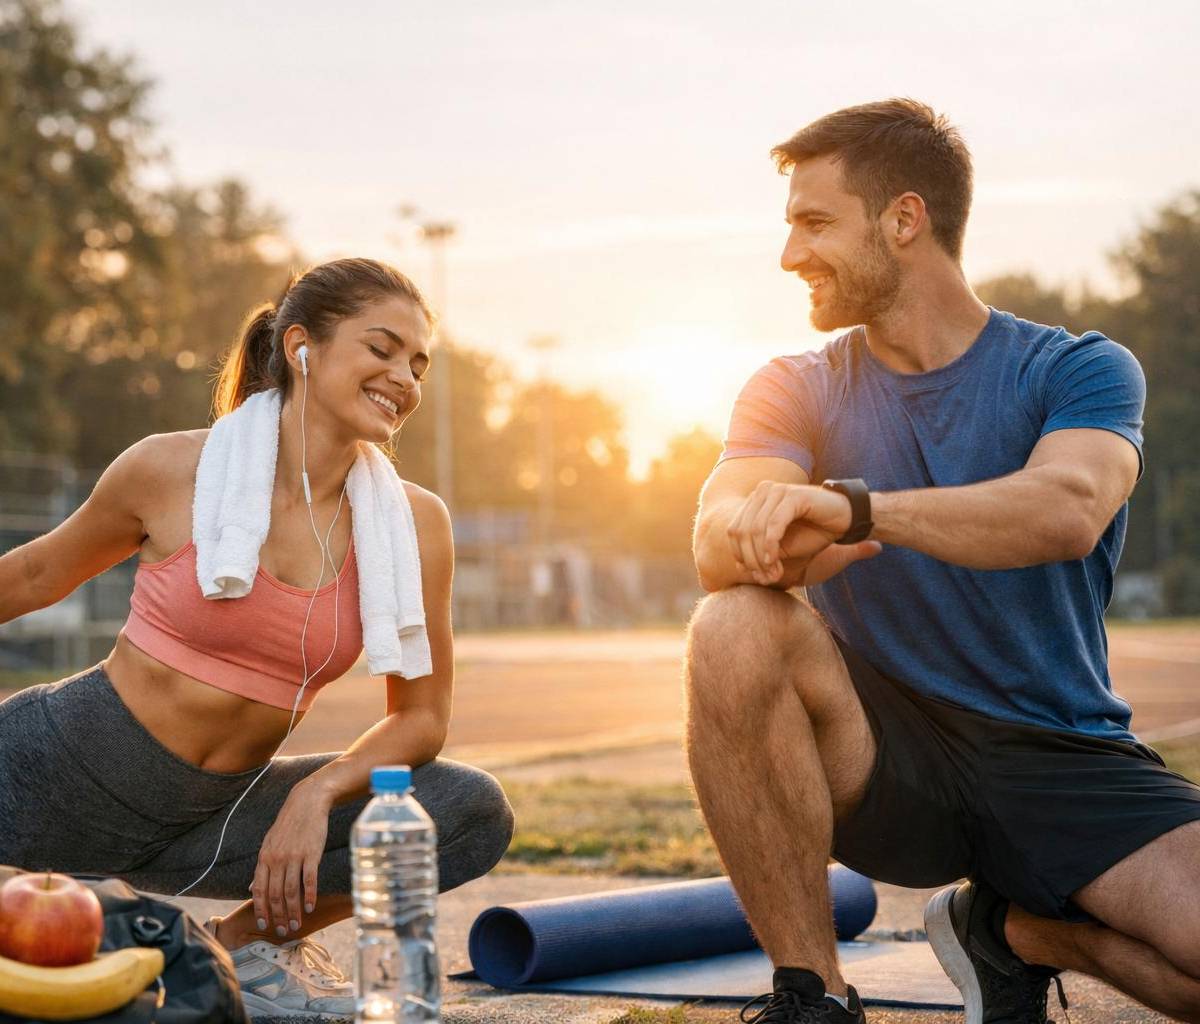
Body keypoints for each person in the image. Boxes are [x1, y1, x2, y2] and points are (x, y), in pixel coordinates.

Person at [686, 99, 1200, 1024]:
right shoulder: (794, 384)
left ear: (904, 219)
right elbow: (716, 536)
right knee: (732, 622)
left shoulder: (1078, 369)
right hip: (888, 753)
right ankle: (813, 998)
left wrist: (858, 509)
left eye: (814, 222)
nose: (791, 254)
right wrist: (768, 542)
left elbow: (1067, 507)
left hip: (1059, 749)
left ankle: (1010, 935)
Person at [0, 258, 515, 1020]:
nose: (404, 378)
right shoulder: (170, 468)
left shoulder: (414, 523)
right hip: (53, 770)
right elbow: (35, 575)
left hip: (215, 818)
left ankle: (236, 951)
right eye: (381, 349)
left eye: (417, 364)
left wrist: (317, 792)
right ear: (302, 346)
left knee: (468, 809)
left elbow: (421, 719)